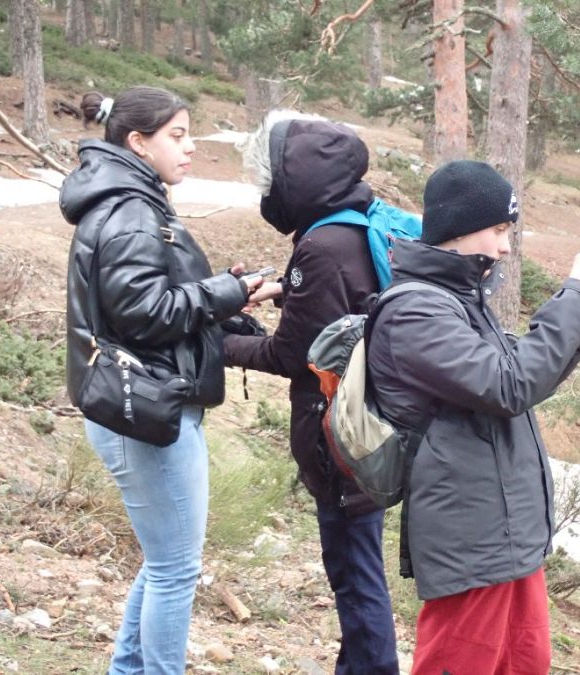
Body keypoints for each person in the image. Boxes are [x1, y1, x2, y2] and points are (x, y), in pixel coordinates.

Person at [366, 160, 580, 674]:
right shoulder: (417, 310)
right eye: (498, 230)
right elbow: (507, 385)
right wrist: (572, 300)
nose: (504, 246)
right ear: (458, 228)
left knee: (524, 664)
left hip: (508, 534)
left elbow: (521, 379)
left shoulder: (462, 300)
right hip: (469, 539)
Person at [62, 86, 263, 675]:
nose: (191, 147)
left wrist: (231, 296)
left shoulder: (130, 199)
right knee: (176, 569)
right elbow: (144, 313)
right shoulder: (130, 210)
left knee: (163, 561)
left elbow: (155, 301)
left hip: (145, 403)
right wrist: (226, 291)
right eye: (177, 135)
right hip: (143, 412)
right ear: (137, 142)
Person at [223, 113, 399, 674]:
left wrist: (221, 343)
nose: (265, 193)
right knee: (358, 571)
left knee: (355, 581)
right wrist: (285, 292)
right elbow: (341, 315)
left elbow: (294, 355)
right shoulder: (357, 225)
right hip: (371, 430)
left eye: (269, 180)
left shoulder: (321, 247)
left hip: (338, 441)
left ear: (295, 183)